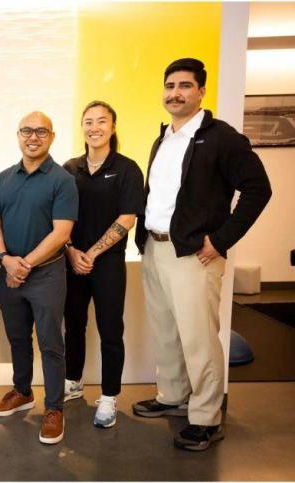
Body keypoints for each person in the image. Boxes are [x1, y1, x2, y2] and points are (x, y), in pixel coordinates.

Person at [132, 58, 271, 451]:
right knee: (166, 331)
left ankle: (206, 417)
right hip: (155, 248)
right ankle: (173, 395)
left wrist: (221, 240)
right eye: (170, 85)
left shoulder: (222, 138)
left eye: (185, 86)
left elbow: (258, 189)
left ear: (201, 91)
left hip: (194, 254)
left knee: (199, 338)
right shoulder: (163, 139)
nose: (175, 93)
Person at [0, 111, 78, 445]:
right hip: (9, 273)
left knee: (51, 343)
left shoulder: (63, 180)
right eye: (27, 130)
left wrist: (23, 265)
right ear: (18, 135)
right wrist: (5, 259)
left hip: (47, 275)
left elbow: (61, 232)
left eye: (41, 131)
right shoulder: (4, 178)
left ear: (51, 137)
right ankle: (23, 391)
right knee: (17, 338)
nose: (33, 137)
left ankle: (54, 408)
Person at [62, 101, 144, 428]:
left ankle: (109, 396)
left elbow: (127, 218)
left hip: (107, 263)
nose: (94, 127)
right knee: (74, 325)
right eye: (88, 121)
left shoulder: (127, 169)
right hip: (72, 261)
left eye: (101, 121)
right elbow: (59, 216)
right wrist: (71, 251)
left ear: (113, 127)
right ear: (82, 127)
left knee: (110, 330)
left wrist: (92, 253)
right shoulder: (69, 168)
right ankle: (73, 381)